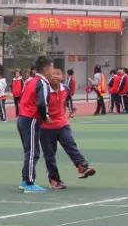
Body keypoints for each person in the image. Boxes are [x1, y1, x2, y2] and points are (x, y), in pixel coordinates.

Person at [39, 67, 97, 190]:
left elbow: (68, 100)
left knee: (71, 145)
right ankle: (54, 179)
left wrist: (71, 110)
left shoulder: (65, 88)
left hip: (62, 124)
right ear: (48, 76)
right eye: (53, 74)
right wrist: (44, 117)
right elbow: (38, 105)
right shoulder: (43, 90)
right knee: (50, 155)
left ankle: (82, 167)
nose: (55, 76)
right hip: (45, 127)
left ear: (63, 77)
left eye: (58, 74)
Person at [16, 56, 54, 193]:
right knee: (33, 152)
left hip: (23, 118)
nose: (53, 72)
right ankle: (29, 183)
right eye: (52, 68)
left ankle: (24, 180)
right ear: (46, 68)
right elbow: (41, 103)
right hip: (30, 119)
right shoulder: (42, 83)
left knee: (30, 151)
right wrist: (46, 117)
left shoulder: (30, 81)